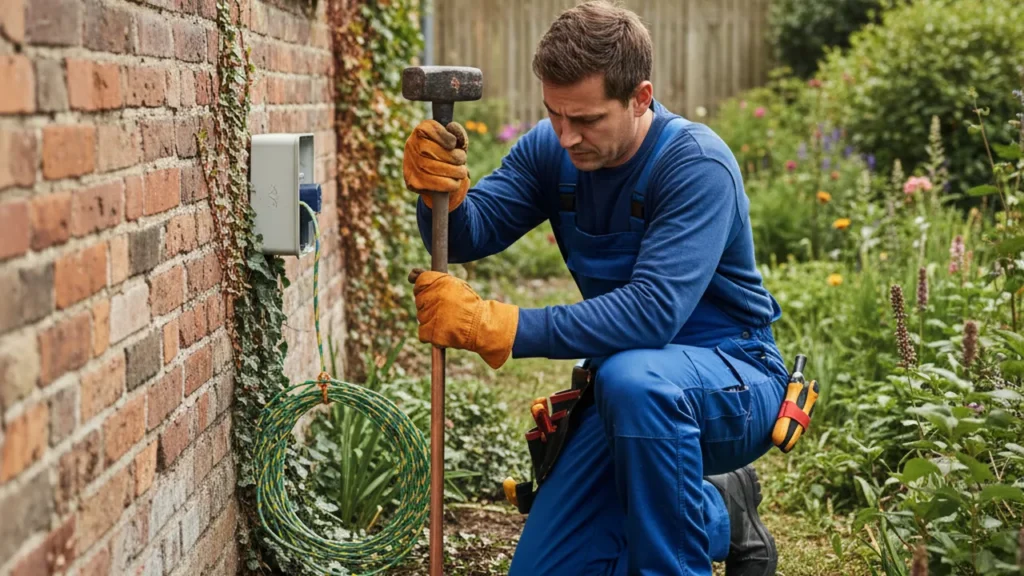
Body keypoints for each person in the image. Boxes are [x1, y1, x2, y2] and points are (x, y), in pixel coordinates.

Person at [402, 2, 791, 574]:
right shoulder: (550, 150)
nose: (566, 136)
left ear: (640, 97)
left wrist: (502, 325)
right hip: (625, 392)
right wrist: (444, 196)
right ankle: (720, 510)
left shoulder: (696, 165)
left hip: (732, 378)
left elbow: (652, 314)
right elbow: (467, 236)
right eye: (555, 115)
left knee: (636, 379)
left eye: (586, 120)